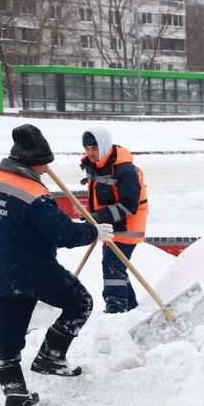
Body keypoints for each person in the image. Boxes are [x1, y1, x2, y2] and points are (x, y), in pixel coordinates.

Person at [0, 124, 113, 406]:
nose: (45, 170)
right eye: (44, 165)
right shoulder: (34, 194)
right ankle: (50, 357)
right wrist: (93, 232)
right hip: (33, 270)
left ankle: (14, 392)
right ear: (33, 162)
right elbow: (62, 234)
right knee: (80, 303)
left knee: (8, 332)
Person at [80, 126, 148, 313]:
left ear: (103, 146)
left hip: (127, 225)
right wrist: (91, 217)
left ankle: (116, 309)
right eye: (87, 149)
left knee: (111, 265)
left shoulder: (125, 170)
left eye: (94, 148)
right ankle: (131, 307)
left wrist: (98, 217)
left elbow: (129, 205)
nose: (91, 153)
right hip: (109, 225)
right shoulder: (96, 165)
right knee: (117, 266)